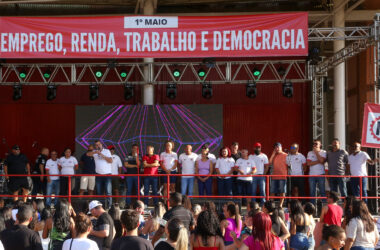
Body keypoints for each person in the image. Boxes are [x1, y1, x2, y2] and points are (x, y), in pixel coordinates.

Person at [92, 140, 113, 208]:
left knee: (108, 192)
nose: (97, 146)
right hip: (98, 175)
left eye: (99, 144)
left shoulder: (107, 151)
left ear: (101, 144)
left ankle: (109, 206)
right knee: (99, 192)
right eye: (96, 145)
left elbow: (110, 161)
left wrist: (101, 154)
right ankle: (100, 207)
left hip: (107, 174)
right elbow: (87, 154)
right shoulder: (94, 152)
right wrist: (95, 152)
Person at [307, 139, 327, 205]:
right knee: (312, 192)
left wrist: (316, 153)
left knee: (322, 191)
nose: (314, 145)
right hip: (311, 175)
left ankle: (324, 207)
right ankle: (312, 209)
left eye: (316, 143)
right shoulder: (310, 152)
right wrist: (319, 161)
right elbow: (308, 163)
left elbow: (322, 161)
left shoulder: (323, 152)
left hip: (321, 174)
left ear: (320, 145)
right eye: (314, 143)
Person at [269, 142, 288, 207]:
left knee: (282, 192)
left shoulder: (286, 155)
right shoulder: (274, 155)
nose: (277, 148)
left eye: (278, 147)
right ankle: (271, 205)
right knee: (272, 191)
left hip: (283, 176)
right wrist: (273, 154)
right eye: (275, 147)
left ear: (281, 147)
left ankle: (280, 205)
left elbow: (289, 165)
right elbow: (270, 162)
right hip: (274, 176)